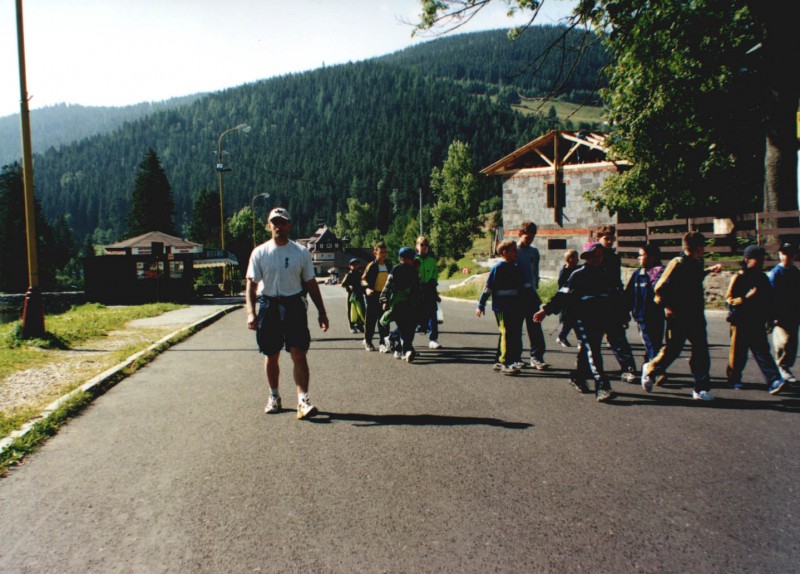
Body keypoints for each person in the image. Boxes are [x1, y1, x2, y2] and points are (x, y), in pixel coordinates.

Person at [245, 207, 329, 419]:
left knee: (298, 353)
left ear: (289, 225)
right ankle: (274, 396)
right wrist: (251, 313)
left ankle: (303, 401)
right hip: (269, 304)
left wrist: (322, 312)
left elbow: (311, 283)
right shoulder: (260, 252)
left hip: (294, 305)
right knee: (271, 354)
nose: (279, 226)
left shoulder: (300, 252)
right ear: (269, 226)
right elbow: (251, 286)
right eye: (275, 222)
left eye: (283, 222)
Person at [641, 231, 722, 400]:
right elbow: (660, 287)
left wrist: (708, 270)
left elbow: (695, 278)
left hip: (696, 314)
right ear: (698, 247)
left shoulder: (697, 262)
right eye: (703, 246)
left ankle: (701, 388)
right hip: (679, 315)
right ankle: (650, 369)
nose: (704, 249)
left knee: (701, 350)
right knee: (673, 349)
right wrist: (668, 307)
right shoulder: (677, 263)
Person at [534, 241, 616, 402]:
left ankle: (578, 377)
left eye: (599, 256)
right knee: (592, 348)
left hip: (601, 317)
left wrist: (621, 315)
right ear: (585, 257)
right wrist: (546, 310)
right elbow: (562, 296)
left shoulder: (607, 273)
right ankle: (602, 385)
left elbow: (615, 296)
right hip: (582, 318)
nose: (596, 259)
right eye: (591, 256)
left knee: (588, 349)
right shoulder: (578, 274)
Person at [725, 245, 786, 394]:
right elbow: (729, 300)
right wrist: (746, 298)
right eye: (757, 258)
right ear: (747, 259)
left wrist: (770, 318)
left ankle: (774, 380)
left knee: (763, 352)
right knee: (738, 353)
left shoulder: (762, 278)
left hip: (757, 321)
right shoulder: (739, 277)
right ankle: (734, 378)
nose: (761, 261)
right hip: (740, 321)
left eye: (762, 258)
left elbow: (769, 300)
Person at [596, 224, 638, 383]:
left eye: (611, 238)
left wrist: (621, 304)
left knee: (618, 337)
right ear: (598, 238)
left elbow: (617, 280)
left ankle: (628, 368)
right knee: (592, 340)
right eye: (606, 238)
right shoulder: (593, 255)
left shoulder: (614, 258)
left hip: (612, 301)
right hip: (596, 301)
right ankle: (585, 370)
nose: (609, 241)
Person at [476, 239, 524, 376]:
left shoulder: (515, 267)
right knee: (506, 332)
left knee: (510, 333)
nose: (516, 253)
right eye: (513, 251)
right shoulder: (498, 268)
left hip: (514, 306)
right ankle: (505, 363)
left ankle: (499, 360)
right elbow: (488, 288)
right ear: (504, 252)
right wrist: (481, 304)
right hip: (501, 307)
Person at [625, 244, 667, 383]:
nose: (638, 258)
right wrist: (624, 313)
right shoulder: (638, 274)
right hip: (642, 316)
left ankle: (648, 363)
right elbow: (629, 295)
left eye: (641, 255)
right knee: (650, 343)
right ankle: (657, 371)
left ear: (651, 257)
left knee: (655, 343)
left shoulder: (661, 273)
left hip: (657, 315)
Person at [380, 247, 423, 362]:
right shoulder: (396, 270)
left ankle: (396, 345)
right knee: (404, 328)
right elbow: (387, 286)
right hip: (398, 303)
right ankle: (406, 351)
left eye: (413, 258)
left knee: (411, 327)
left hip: (411, 303)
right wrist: (384, 300)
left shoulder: (414, 271)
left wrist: (420, 301)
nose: (412, 260)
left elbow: (417, 288)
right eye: (410, 258)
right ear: (402, 259)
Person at [516, 221, 548, 369]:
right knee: (516, 329)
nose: (529, 240)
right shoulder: (513, 251)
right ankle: (515, 357)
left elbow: (535, 272)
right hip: (517, 296)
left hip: (532, 295)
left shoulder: (534, 252)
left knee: (535, 326)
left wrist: (536, 289)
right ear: (520, 234)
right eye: (527, 237)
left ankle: (536, 357)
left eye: (532, 238)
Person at [768, 242, 800, 384]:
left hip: (794, 312)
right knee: (784, 340)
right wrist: (771, 315)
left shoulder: (795, 272)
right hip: (780, 313)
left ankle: (785, 366)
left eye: (789, 254)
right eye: (783, 253)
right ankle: (781, 366)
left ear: (794, 256)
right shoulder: (776, 273)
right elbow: (770, 295)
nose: (785, 256)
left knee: (792, 341)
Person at [361, 241, 392, 353]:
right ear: (375, 253)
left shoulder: (389, 265)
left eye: (385, 252)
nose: (383, 254)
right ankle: (368, 341)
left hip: (385, 296)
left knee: (384, 320)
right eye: (381, 252)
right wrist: (367, 288)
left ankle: (383, 343)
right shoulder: (372, 265)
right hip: (373, 296)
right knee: (371, 320)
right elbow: (363, 279)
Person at [415, 236, 442, 349]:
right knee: (414, 316)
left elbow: (435, 274)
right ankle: (396, 338)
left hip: (429, 289)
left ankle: (433, 339)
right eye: (421, 245)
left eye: (426, 245)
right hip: (417, 290)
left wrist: (433, 283)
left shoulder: (431, 261)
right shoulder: (414, 260)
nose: (424, 247)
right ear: (417, 246)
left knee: (432, 315)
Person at [555, 249, 579, 347]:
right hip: (567, 299)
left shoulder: (577, 269)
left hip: (575, 298)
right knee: (570, 319)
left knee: (574, 319)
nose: (578, 260)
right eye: (576, 258)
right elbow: (562, 287)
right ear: (570, 259)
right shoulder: (564, 272)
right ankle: (562, 336)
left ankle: (564, 336)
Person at [341, 258, 365, 333]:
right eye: (353, 265)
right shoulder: (349, 274)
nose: (355, 266)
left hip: (360, 294)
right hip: (351, 295)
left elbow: (364, 282)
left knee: (361, 310)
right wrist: (349, 286)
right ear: (350, 266)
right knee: (351, 310)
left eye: (356, 264)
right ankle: (352, 326)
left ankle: (360, 325)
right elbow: (343, 284)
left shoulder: (361, 274)